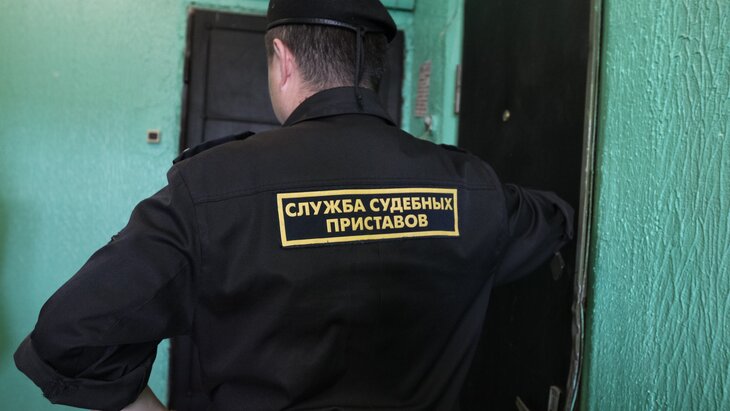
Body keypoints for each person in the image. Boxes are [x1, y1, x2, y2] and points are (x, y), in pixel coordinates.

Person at [15, 0, 574, 410]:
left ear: (282, 59)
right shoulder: (471, 190)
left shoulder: (208, 192)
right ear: (373, 72)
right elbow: (556, 219)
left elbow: (67, 338)